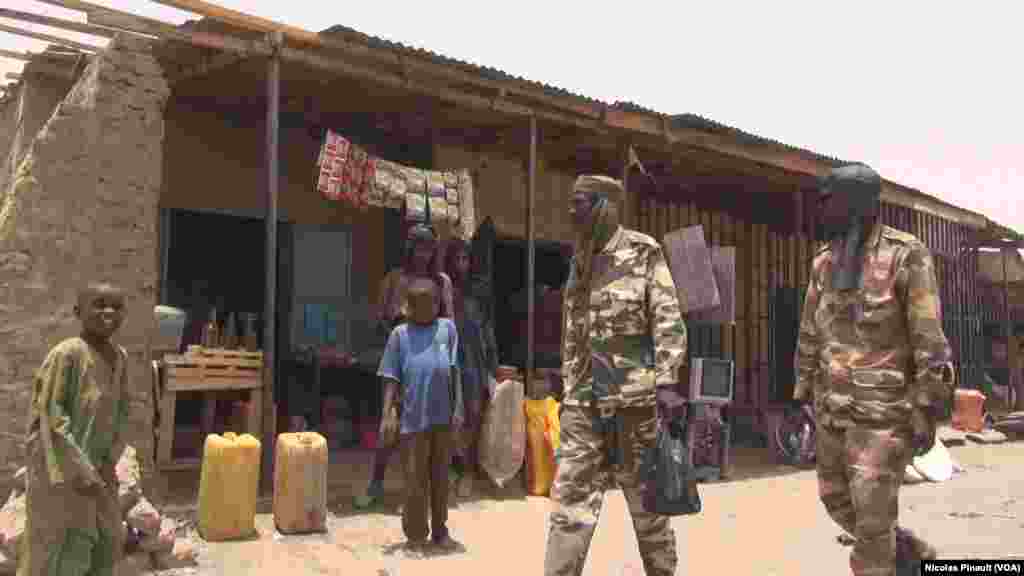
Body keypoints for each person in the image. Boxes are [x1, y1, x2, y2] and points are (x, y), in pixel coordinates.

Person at [794, 163, 955, 576]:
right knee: (836, 500)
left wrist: (927, 408)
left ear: (856, 204)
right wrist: (801, 392)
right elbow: (811, 330)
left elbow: (928, 337)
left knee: (870, 519)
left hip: (884, 416)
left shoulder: (905, 255)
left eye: (831, 202)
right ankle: (907, 554)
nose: (825, 211)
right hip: (832, 410)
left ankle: (881, 561)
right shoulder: (824, 263)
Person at [544, 175, 688, 576]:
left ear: (604, 206)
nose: (571, 211)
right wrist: (569, 383)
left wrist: (666, 382)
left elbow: (667, 318)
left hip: (635, 407)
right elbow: (572, 329)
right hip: (584, 407)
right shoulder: (580, 259)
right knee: (570, 507)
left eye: (580, 202)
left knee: (649, 512)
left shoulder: (643, 251)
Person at [20, 283, 131, 576]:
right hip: (63, 476)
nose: (109, 312)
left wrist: (109, 460)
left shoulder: (120, 358)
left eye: (116, 306)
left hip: (100, 474)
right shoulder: (66, 355)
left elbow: (122, 414)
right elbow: (51, 420)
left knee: (105, 546)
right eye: (99, 304)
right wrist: (80, 469)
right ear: (78, 312)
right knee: (60, 552)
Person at [355, 223, 454, 509]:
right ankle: (376, 484)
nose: (423, 254)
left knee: (424, 429)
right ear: (410, 249)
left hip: (430, 361)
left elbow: (449, 324)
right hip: (401, 357)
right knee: (390, 423)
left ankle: (415, 494)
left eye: (428, 248)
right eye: (418, 247)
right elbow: (380, 318)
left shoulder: (442, 282)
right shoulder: (395, 280)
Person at [377, 277, 463, 548]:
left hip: (443, 418)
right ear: (409, 308)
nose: (431, 308)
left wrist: (458, 407)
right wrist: (386, 414)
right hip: (412, 419)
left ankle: (440, 530)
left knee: (440, 477)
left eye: (434, 303)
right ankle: (415, 534)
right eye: (423, 305)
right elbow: (390, 377)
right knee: (415, 479)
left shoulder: (447, 329)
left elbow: (454, 370)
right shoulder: (399, 335)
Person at [444, 239, 498, 497]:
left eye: (466, 259)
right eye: (458, 259)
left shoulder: (477, 292)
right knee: (452, 414)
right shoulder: (445, 289)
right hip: (450, 357)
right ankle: (453, 465)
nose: (462, 264)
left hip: (475, 359)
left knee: (475, 411)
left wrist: (493, 364)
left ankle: (468, 469)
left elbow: (486, 329)